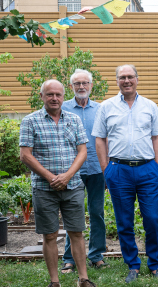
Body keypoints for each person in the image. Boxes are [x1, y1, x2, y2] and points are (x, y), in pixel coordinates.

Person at [92, 65, 158, 283]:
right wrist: (106, 169)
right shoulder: (106, 107)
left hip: (147, 169)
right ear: (117, 81)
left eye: (130, 77)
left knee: (152, 219)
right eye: (122, 77)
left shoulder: (150, 106)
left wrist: (157, 165)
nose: (126, 80)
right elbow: (99, 139)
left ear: (137, 79)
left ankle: (155, 265)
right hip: (118, 170)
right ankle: (133, 265)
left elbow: (157, 136)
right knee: (124, 221)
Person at [19, 79, 96, 287]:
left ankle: (83, 278)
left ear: (64, 96)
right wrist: (51, 177)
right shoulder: (30, 120)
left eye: (58, 95)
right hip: (44, 187)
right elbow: (25, 155)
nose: (54, 98)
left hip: (73, 186)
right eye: (50, 94)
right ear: (42, 96)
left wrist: (67, 176)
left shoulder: (73, 119)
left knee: (77, 232)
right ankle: (55, 281)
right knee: (50, 235)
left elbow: (82, 151)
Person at [61, 69, 108, 274]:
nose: (81, 86)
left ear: (91, 85)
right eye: (77, 83)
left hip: (98, 170)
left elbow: (107, 139)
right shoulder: (62, 108)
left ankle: (96, 255)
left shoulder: (101, 109)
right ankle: (70, 258)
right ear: (71, 86)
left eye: (85, 83)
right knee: (72, 215)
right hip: (72, 171)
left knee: (97, 213)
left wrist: (108, 168)